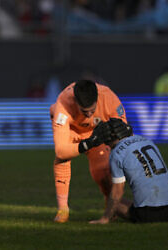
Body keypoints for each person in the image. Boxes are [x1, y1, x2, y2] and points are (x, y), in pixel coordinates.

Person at [50, 79, 129, 223]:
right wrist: (87, 144)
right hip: (72, 132)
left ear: (98, 98)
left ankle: (111, 205)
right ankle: (63, 209)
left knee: (103, 172)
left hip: (96, 133)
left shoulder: (109, 97)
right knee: (61, 160)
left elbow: (123, 132)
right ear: (75, 102)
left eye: (93, 110)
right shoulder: (63, 104)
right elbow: (61, 151)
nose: (89, 115)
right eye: (84, 111)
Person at [89, 118, 168, 224]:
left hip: (150, 214)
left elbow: (117, 192)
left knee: (112, 201)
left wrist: (105, 218)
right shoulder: (146, 140)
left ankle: (109, 217)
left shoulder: (116, 153)